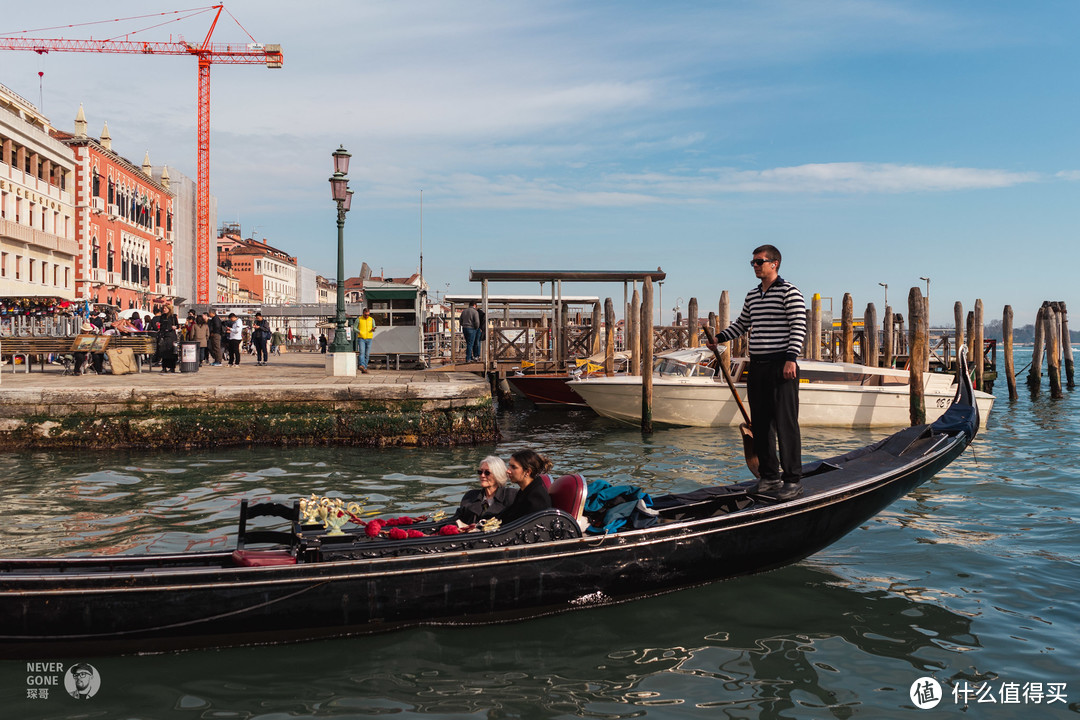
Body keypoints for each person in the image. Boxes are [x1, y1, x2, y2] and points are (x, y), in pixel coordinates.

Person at [711, 244, 807, 500]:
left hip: (781, 364)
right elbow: (742, 324)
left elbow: (799, 325)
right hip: (759, 365)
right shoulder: (753, 295)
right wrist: (719, 337)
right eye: (752, 262)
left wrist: (791, 359)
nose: (755, 265)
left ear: (774, 263)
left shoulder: (789, 292)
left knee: (786, 423)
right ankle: (769, 477)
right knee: (761, 423)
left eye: (759, 261)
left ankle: (793, 479)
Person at [497, 449, 554, 524]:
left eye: (513, 467)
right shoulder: (524, 492)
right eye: (509, 466)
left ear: (527, 472)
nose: (508, 471)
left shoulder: (537, 497)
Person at [455, 456, 517, 524]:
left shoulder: (511, 496)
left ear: (498, 475)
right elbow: (457, 518)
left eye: (487, 473)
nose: (482, 475)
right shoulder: (470, 496)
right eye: (480, 472)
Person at [355, 307, 375, 373]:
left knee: (367, 354)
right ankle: (362, 365)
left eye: (368, 315)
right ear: (363, 313)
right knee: (362, 352)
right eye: (365, 315)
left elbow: (374, 326)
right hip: (361, 338)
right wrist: (360, 332)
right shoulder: (359, 319)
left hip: (369, 338)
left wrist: (373, 329)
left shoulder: (372, 319)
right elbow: (354, 328)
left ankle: (364, 368)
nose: (367, 316)